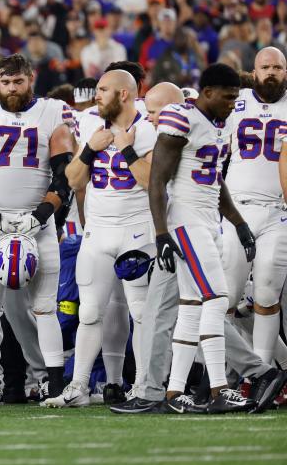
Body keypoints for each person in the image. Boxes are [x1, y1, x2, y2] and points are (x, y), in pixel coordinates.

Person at [112, 82, 285, 414]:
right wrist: (238, 222)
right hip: (192, 228)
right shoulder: (208, 125)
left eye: (153, 111)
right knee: (185, 309)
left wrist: (128, 151)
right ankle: (171, 392)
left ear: (174, 107)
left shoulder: (182, 123)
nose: (147, 119)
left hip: (186, 229)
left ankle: (240, 378)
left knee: (203, 304)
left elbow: (156, 182)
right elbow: (213, 178)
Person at [0, 53, 75, 406]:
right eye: (5, 83)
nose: (11, 89)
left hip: (37, 222)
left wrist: (40, 215)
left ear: (31, 78)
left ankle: (54, 385)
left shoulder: (53, 111)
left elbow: (64, 172)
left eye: (18, 82)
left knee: (45, 307)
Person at [147, 63, 256, 414]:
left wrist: (238, 223)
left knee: (193, 306)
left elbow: (214, 180)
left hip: (208, 221)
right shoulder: (182, 118)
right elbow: (157, 179)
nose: (231, 103)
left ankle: (174, 392)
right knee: (216, 297)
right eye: (227, 97)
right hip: (186, 220)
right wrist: (161, 232)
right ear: (206, 92)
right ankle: (218, 388)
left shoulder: (219, 123)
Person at [44, 69, 156, 407]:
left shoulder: (148, 128)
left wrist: (127, 149)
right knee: (89, 312)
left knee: (139, 312)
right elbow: (74, 180)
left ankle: (142, 384)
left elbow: (151, 181)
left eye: (104, 90)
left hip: (137, 229)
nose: (97, 95)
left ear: (123, 94)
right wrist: (90, 149)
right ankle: (78, 385)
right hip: (98, 230)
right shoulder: (90, 125)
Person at [222, 47, 287, 365]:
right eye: (266, 67)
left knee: (266, 295)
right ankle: (228, 373)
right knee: (227, 298)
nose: (272, 72)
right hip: (236, 211)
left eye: (278, 67)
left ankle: (265, 376)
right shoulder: (236, 101)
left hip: (278, 213)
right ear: (255, 70)